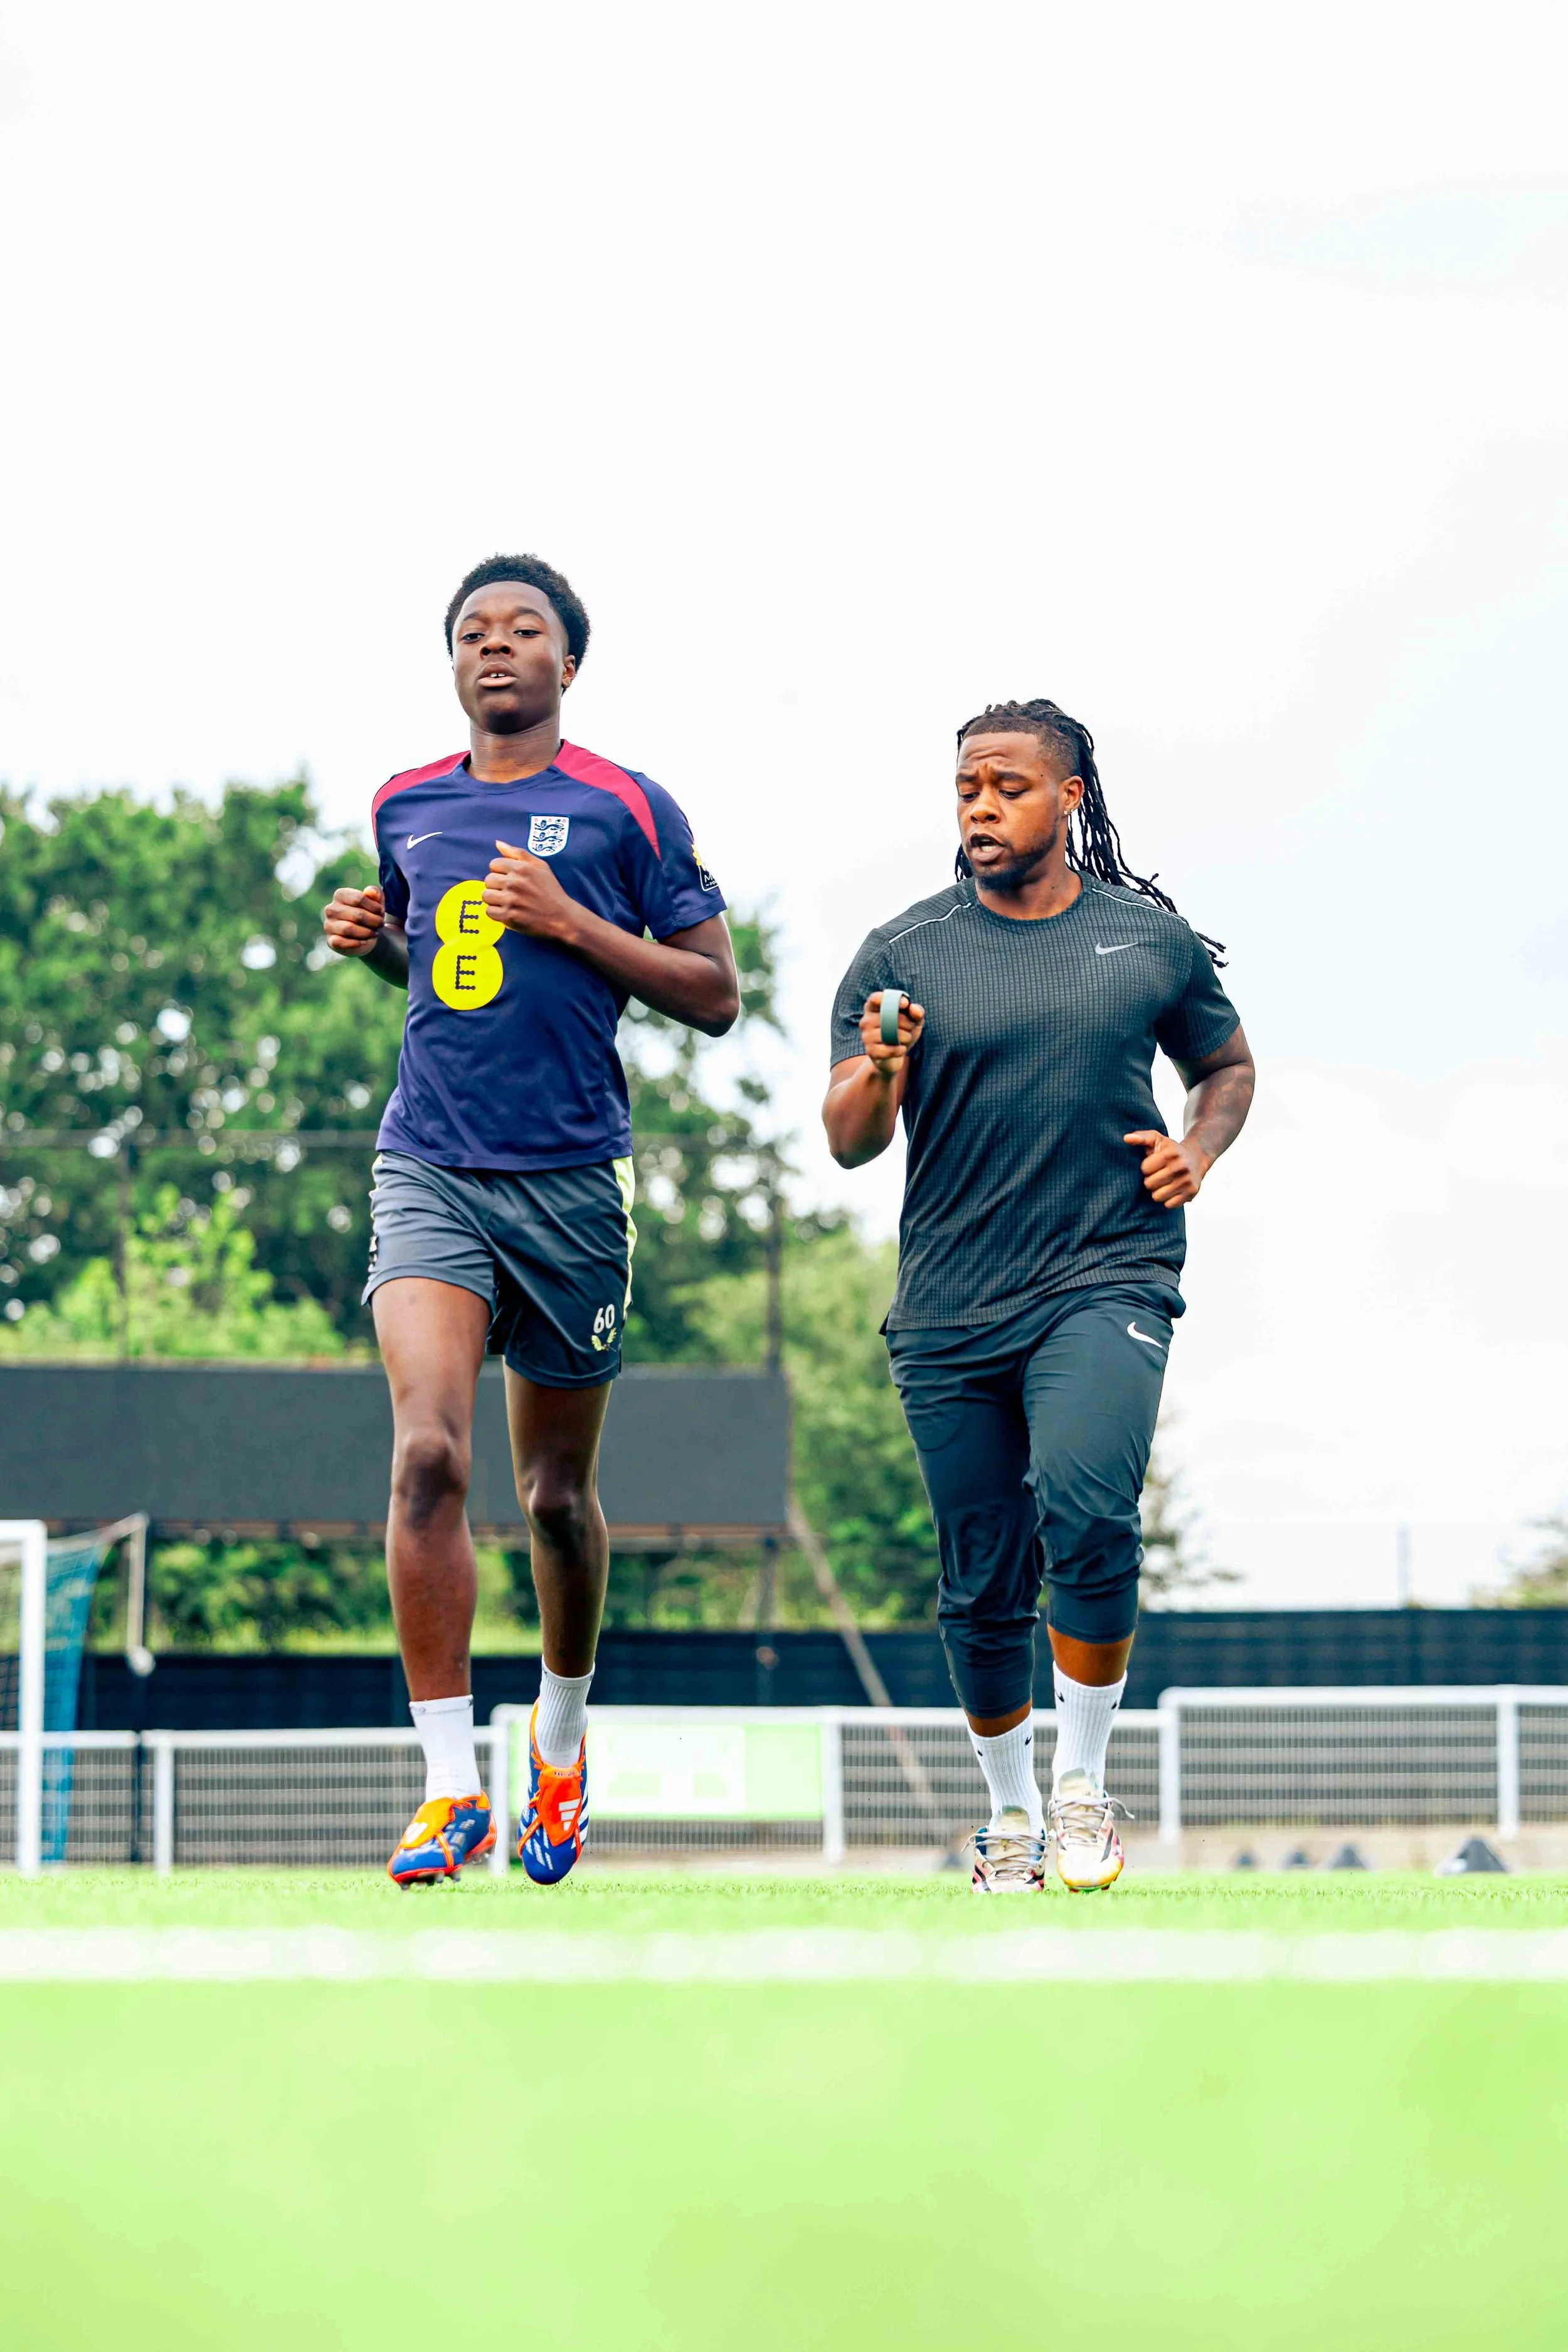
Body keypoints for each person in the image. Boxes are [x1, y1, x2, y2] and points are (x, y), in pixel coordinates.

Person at [322, 554, 738, 1887]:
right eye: (470, 632)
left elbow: (714, 993)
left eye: (523, 631)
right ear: (451, 664)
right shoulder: (404, 804)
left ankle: (557, 1742)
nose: (494, 648)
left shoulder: (626, 809)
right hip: (429, 1164)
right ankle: (451, 1787)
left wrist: (571, 921)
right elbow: (441, 969)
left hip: (569, 1185)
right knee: (428, 1458)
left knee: (556, 1497)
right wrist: (378, 941)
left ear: (569, 662)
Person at [824, 701, 1253, 1892]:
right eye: (966, 786)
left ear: (1069, 798)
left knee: (1089, 1506)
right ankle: (1007, 1814)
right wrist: (884, 1065)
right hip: (951, 1303)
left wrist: (1198, 1150)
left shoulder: (1146, 942)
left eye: (1007, 786)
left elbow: (1224, 1064)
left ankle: (1082, 1789)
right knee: (980, 1574)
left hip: (1106, 1272)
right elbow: (852, 1139)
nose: (979, 806)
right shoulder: (902, 953)